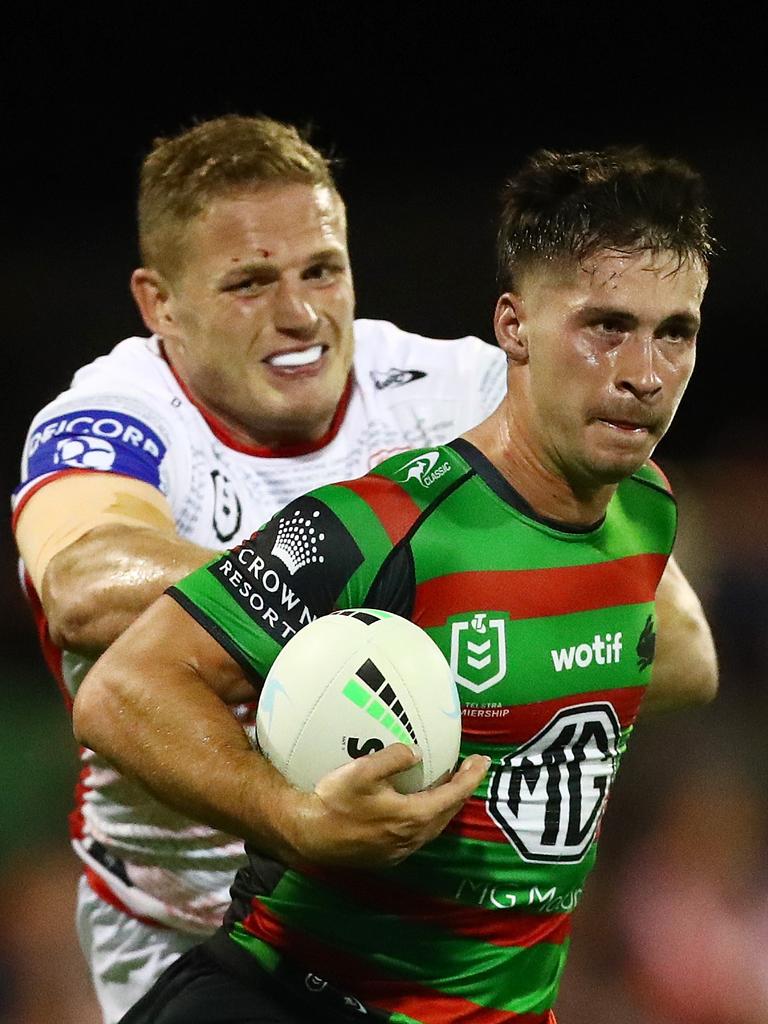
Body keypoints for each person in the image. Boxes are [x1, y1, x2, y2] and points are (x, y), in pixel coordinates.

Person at [73, 143, 717, 1024]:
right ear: (515, 327)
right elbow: (120, 691)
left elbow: (680, 669)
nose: (644, 373)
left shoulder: (646, 511)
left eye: (674, 331)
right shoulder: (380, 523)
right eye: (605, 326)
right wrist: (291, 815)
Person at [11, 114, 509, 1023]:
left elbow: (674, 634)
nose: (301, 314)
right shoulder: (116, 414)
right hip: (185, 932)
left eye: (323, 269)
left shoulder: (456, 395)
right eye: (249, 283)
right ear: (159, 304)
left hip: (414, 912)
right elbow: (82, 584)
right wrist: (338, 602)